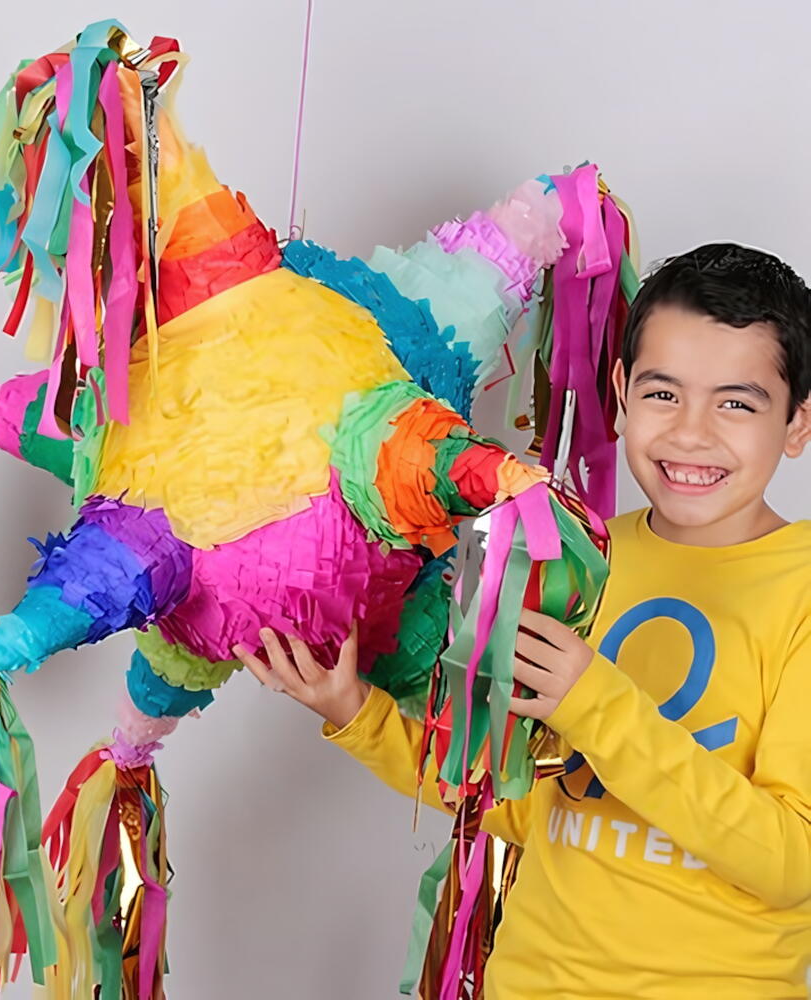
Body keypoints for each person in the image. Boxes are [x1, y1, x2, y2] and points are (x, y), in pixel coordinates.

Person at [232, 242, 811, 998]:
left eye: (736, 403)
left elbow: (791, 863)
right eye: (663, 393)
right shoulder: (565, 551)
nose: (691, 433)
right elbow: (509, 803)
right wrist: (356, 712)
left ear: (797, 422)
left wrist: (593, 703)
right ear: (621, 392)